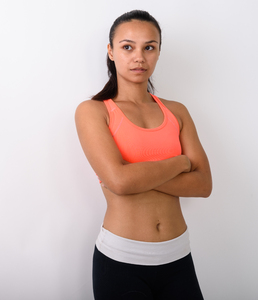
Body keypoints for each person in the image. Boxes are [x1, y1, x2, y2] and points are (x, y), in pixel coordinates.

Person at [75, 10, 212, 300]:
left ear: (159, 52)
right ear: (111, 51)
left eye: (149, 47)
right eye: (127, 47)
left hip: (178, 257)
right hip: (121, 260)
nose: (139, 57)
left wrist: (132, 173)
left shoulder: (177, 111)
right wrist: (181, 163)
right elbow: (120, 182)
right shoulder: (94, 111)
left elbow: (203, 185)